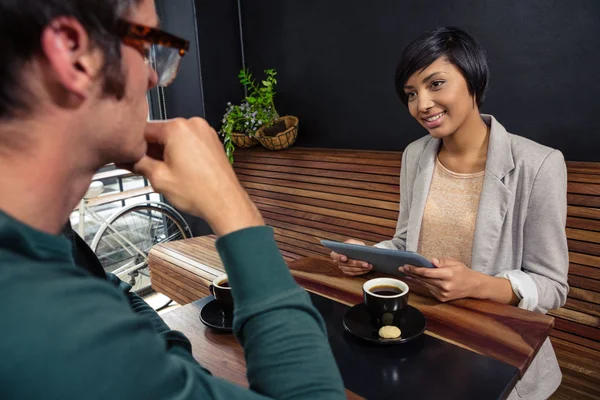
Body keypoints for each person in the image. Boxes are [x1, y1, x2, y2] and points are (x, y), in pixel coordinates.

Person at [0, 0, 346, 399]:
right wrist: (232, 206)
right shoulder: (53, 337)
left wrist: (175, 370)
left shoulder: (44, 240)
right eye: (148, 48)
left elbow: (111, 291)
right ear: (75, 56)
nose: (154, 78)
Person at [330, 27, 569, 399]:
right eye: (411, 94)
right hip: (420, 334)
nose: (422, 104)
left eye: (436, 84)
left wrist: (479, 284)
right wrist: (367, 255)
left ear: (473, 80)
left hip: (493, 352)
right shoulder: (415, 155)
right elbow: (406, 241)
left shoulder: (538, 165)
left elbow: (553, 286)